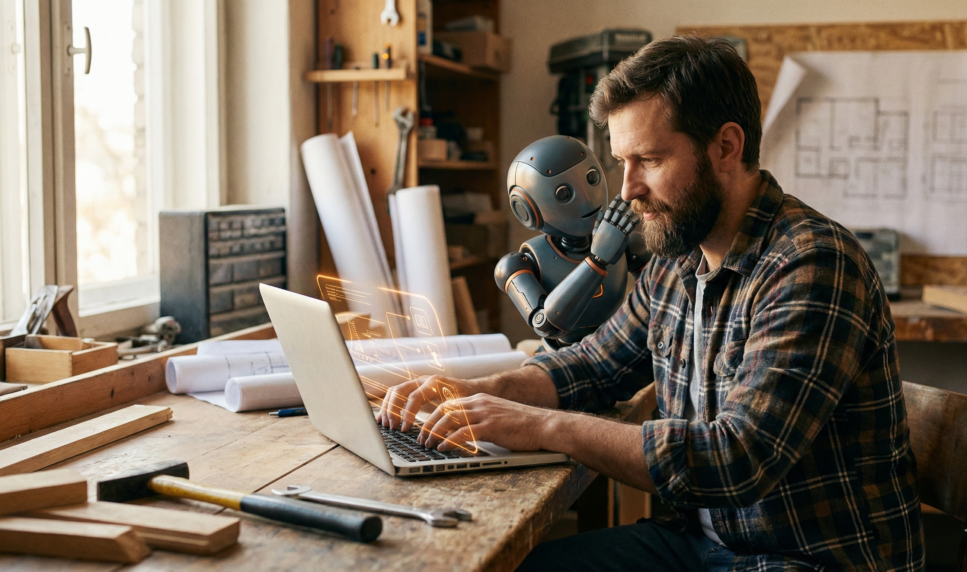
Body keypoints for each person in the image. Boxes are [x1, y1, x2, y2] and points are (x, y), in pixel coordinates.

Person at [377, 35, 923, 571]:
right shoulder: (677, 257)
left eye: (650, 160)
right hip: (699, 546)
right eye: (621, 161)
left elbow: (737, 459)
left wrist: (536, 425)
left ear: (726, 147)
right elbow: (593, 364)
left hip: (804, 559)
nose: (627, 189)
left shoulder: (811, 264)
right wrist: (477, 394)